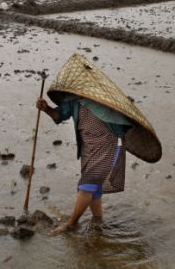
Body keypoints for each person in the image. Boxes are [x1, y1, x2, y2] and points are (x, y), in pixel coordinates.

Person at [37, 94, 132, 234]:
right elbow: (59, 115)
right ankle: (98, 222)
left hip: (108, 146)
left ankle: (71, 224)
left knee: (87, 186)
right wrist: (45, 108)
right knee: (94, 189)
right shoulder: (74, 100)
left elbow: (125, 122)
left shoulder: (105, 99)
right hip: (88, 149)